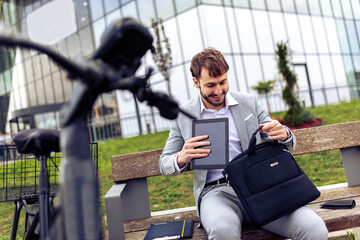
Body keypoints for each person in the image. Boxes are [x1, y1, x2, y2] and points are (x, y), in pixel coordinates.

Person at [159, 48, 328, 240]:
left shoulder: (250, 103)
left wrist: (284, 134)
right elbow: (164, 164)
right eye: (210, 85)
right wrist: (181, 158)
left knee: (314, 228)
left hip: (262, 187)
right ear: (196, 82)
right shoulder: (183, 116)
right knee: (223, 231)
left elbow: (288, 143)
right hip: (217, 193)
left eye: (223, 82)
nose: (218, 91)